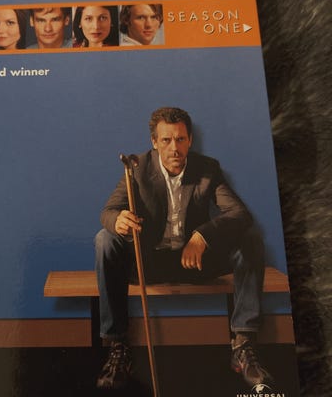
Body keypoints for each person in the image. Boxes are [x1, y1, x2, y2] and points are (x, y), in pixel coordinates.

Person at [95, 107, 272, 390]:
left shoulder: (207, 169)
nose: (174, 148)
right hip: (148, 264)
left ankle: (243, 343)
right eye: (166, 140)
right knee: (105, 239)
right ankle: (118, 347)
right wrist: (118, 219)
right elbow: (108, 211)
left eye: (180, 139)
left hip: (195, 261)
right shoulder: (137, 168)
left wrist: (202, 236)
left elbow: (239, 214)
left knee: (250, 238)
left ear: (190, 140)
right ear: (154, 142)